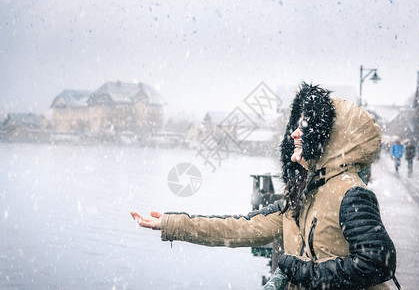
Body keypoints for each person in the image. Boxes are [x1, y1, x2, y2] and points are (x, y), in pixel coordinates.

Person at [131, 83, 398, 290]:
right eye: (295, 125)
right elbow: (240, 227)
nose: (294, 133)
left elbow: (377, 263)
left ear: (330, 137)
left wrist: (304, 272)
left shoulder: (350, 193)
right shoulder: (304, 193)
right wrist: (171, 224)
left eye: (304, 126)